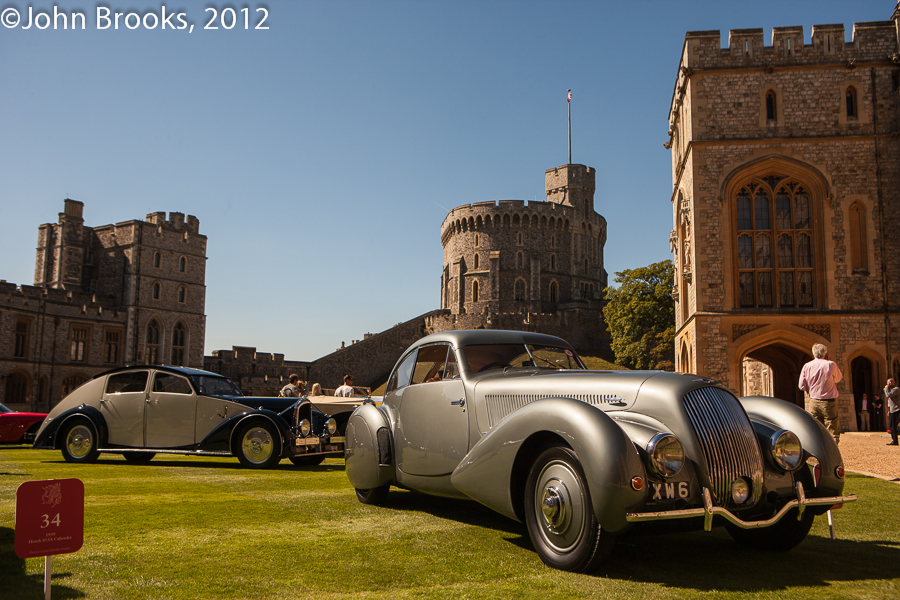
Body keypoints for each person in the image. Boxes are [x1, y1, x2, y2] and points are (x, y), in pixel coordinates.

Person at [798, 344, 843, 444]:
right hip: (829, 403)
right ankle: (832, 454)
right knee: (832, 430)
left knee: (816, 430)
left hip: (813, 402)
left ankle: (819, 453)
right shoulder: (830, 364)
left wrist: (810, 390)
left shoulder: (807, 366)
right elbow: (838, 378)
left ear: (813, 353)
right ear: (826, 353)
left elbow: (801, 386)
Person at [884, 379, 900, 446]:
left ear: (894, 382)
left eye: (890, 382)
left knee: (893, 425)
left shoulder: (896, 389)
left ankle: (895, 441)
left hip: (896, 410)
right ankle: (894, 440)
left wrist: (886, 388)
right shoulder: (892, 390)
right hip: (892, 410)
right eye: (888, 383)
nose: (889, 384)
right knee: (892, 425)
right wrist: (889, 410)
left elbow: (888, 395)